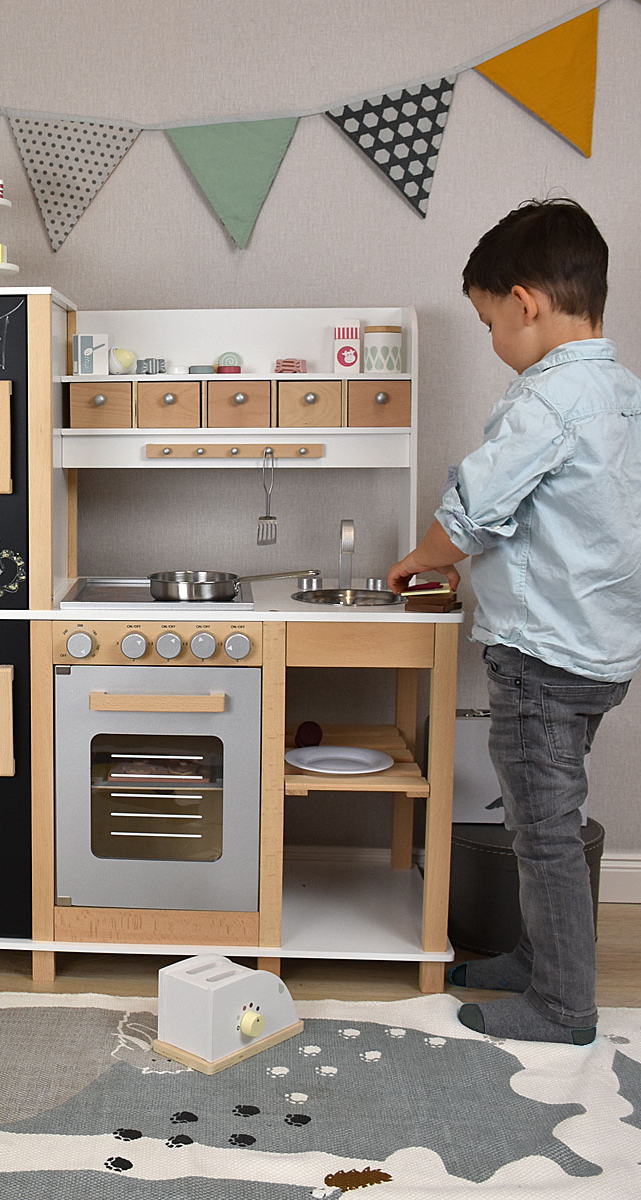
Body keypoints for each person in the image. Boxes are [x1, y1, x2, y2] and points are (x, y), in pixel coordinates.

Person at [387, 198, 641, 1045]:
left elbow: (472, 508)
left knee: (542, 831)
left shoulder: (546, 399)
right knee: (551, 819)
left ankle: (564, 1007)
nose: (494, 341)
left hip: (541, 658)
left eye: (491, 322)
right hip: (600, 650)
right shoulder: (622, 394)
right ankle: (539, 962)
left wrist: (422, 559)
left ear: (526, 304)